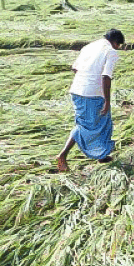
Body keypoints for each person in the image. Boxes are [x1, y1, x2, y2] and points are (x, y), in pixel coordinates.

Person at [56, 29, 125, 173]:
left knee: (104, 122)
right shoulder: (111, 52)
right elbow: (106, 77)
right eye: (119, 46)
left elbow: (75, 68)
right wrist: (107, 101)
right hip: (91, 95)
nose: (118, 48)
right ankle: (62, 155)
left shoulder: (89, 47)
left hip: (78, 90)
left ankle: (102, 155)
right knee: (84, 126)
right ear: (115, 42)